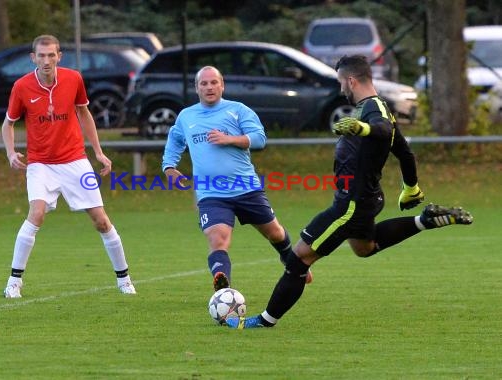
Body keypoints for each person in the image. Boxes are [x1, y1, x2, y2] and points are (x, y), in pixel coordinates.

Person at [226, 55, 473, 329]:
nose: (341, 88)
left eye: (341, 82)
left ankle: (265, 321)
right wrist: (411, 187)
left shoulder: (375, 112)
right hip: (364, 198)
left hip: (350, 205)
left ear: (351, 80)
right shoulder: (375, 107)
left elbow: (380, 130)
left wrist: (364, 128)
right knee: (364, 248)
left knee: (298, 260)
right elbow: (403, 151)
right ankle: (424, 221)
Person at [1, 35, 135, 298]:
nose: (47, 60)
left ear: (59, 56)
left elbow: (84, 113)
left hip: (75, 161)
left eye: (51, 55)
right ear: (33, 58)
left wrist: (98, 152)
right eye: (41, 55)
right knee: (36, 213)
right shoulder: (21, 86)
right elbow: (8, 123)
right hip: (40, 163)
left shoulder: (73, 79)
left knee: (101, 220)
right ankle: (14, 282)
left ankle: (124, 279)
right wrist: (9, 153)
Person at [162, 65, 311, 292]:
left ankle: (288, 257)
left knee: (275, 232)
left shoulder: (238, 110)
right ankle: (223, 288)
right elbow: (175, 140)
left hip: (246, 187)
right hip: (211, 193)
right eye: (204, 83)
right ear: (197, 88)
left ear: (222, 85)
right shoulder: (186, 116)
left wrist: (229, 139)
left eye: (214, 82)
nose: (209, 87)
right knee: (218, 239)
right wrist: (169, 166)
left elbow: (259, 139)